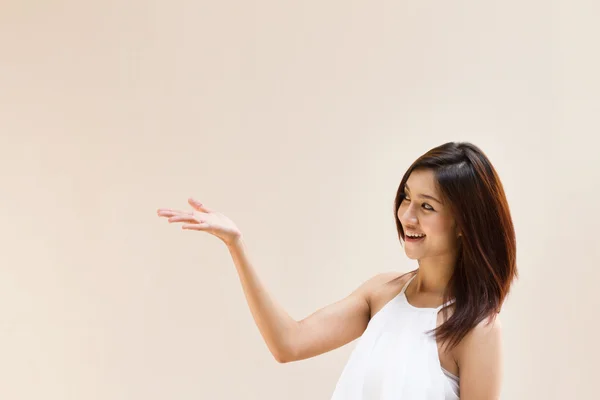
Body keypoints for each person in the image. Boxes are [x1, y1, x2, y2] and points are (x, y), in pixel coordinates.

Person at [156, 141, 517, 400]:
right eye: (406, 197)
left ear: (462, 223)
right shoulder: (382, 293)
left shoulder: (477, 329)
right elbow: (288, 343)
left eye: (427, 206)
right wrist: (236, 245)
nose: (407, 215)